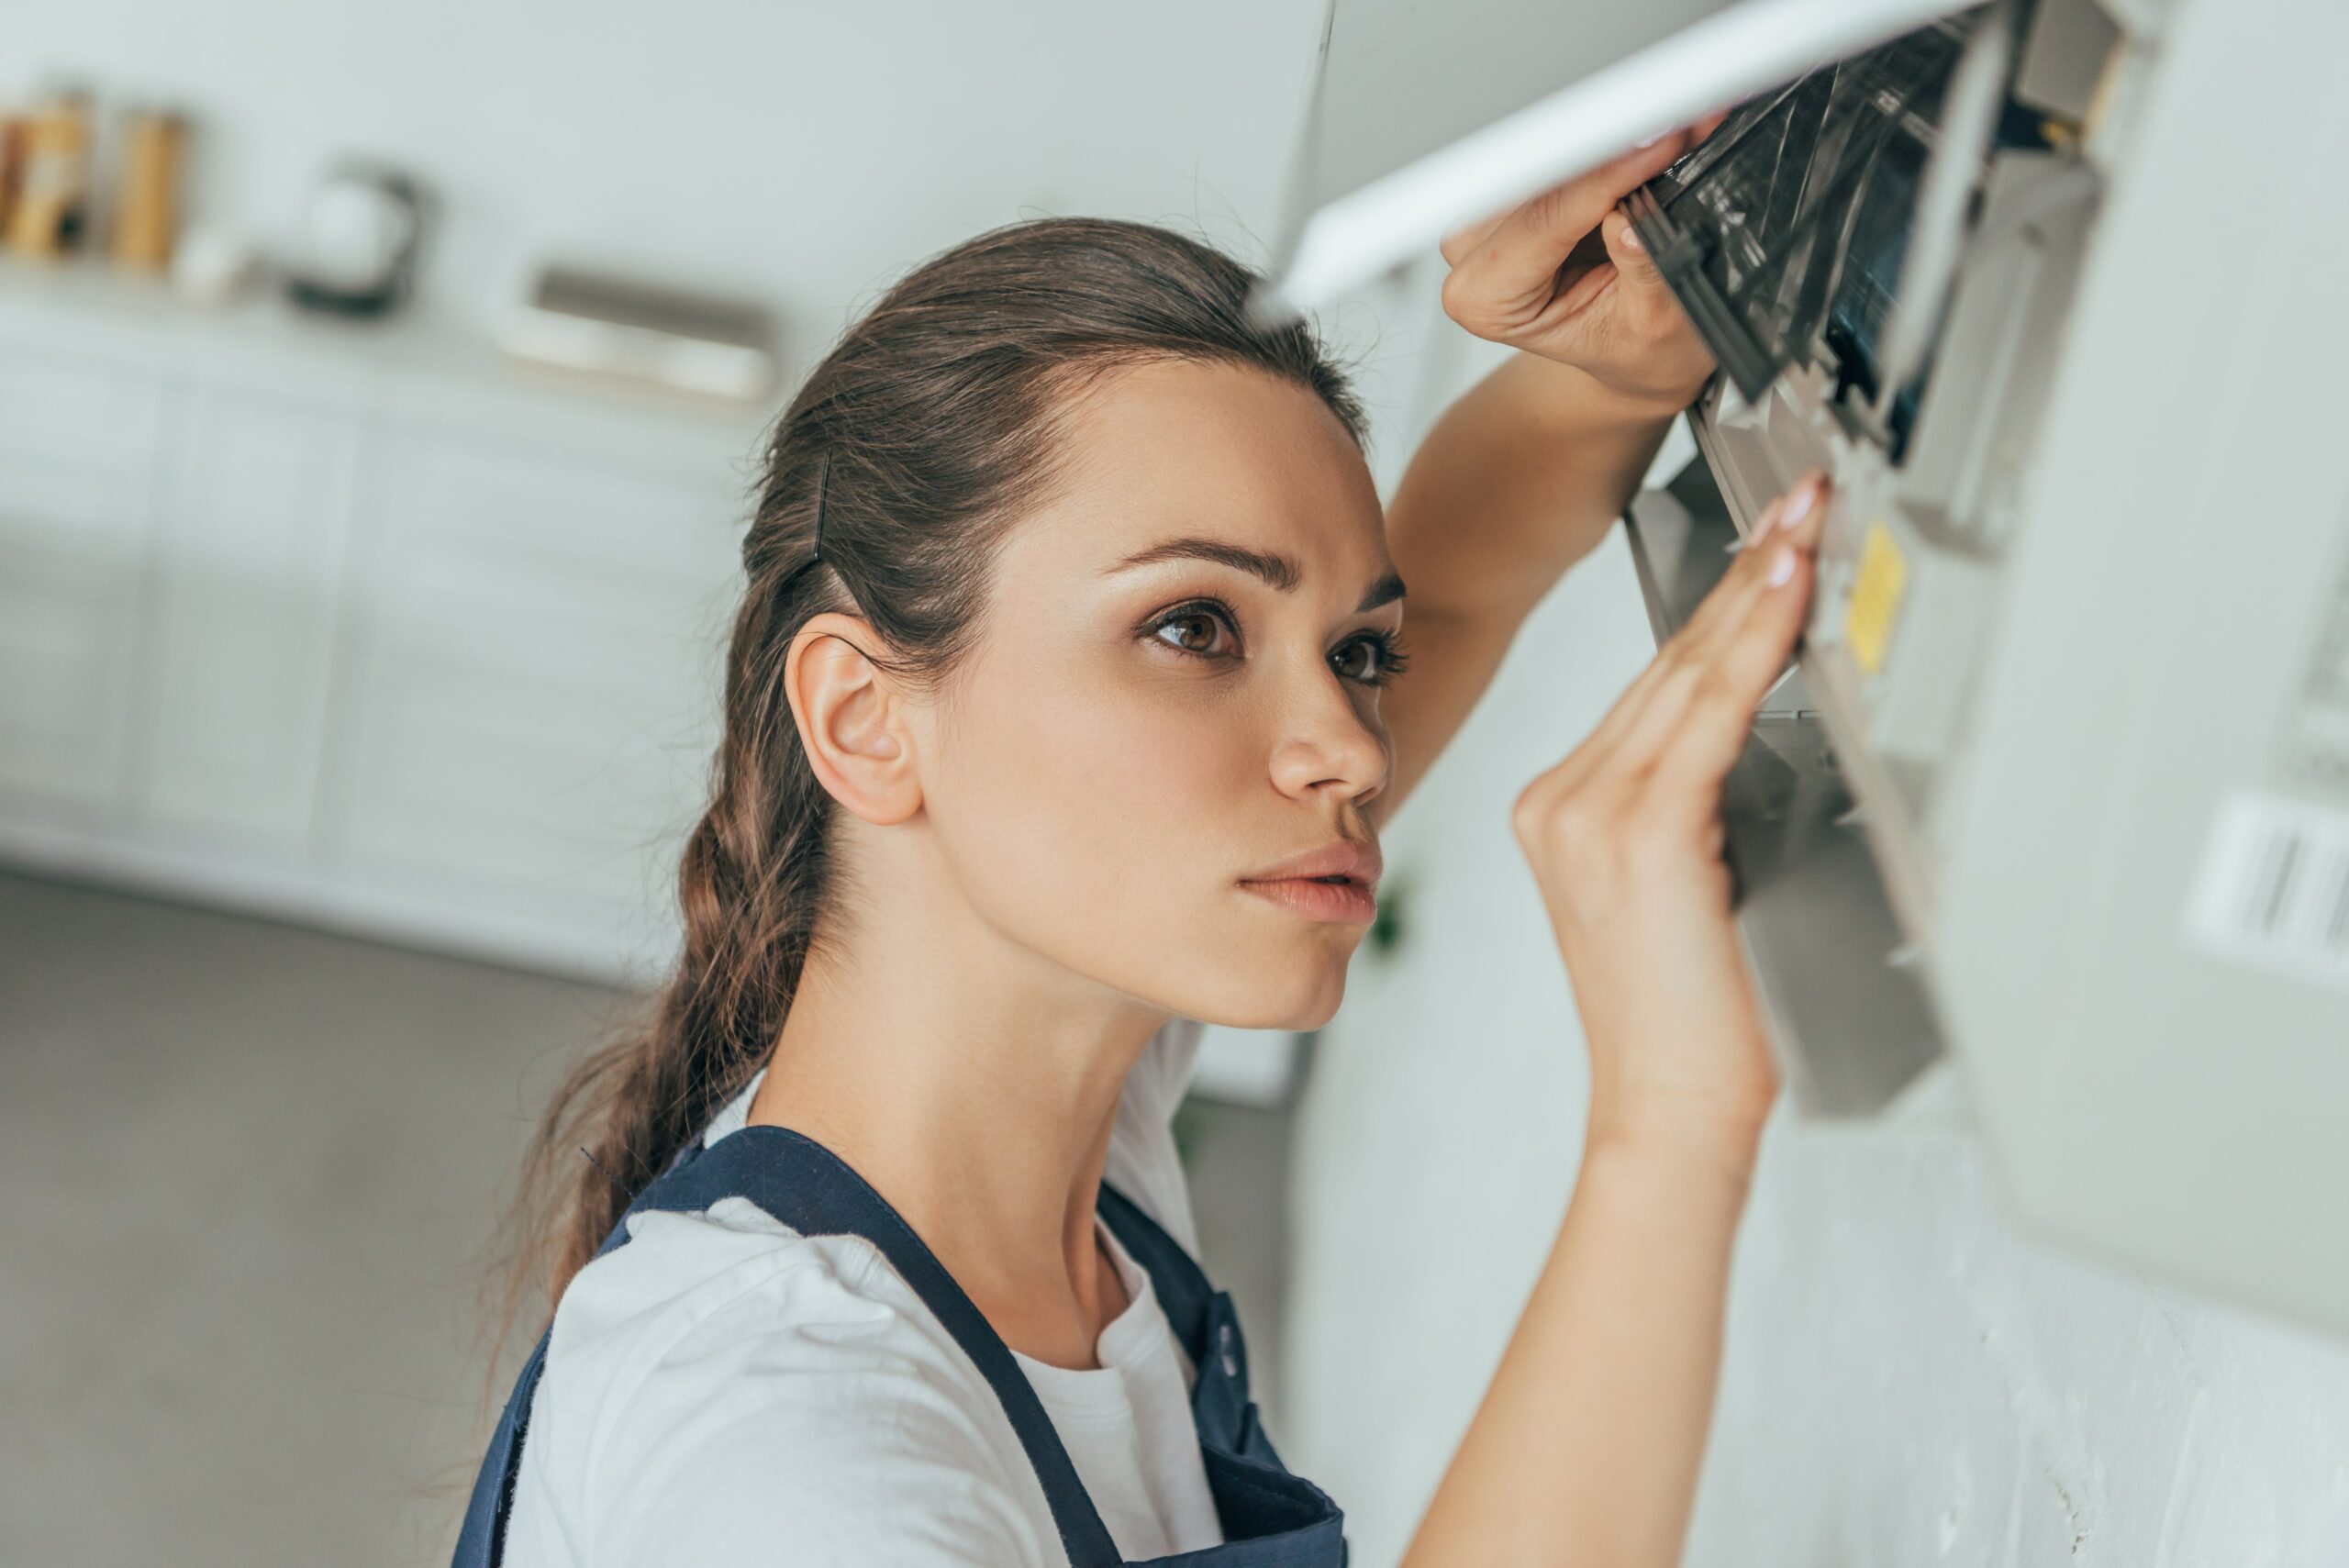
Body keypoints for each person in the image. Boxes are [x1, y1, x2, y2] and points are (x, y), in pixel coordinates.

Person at [457, 124, 1831, 1568]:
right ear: (863, 718)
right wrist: (1669, 1124)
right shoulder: (792, 1467)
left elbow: (1467, 584)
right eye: (1194, 627)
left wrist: (1622, 356)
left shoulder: (1060, 1113)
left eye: (1358, 651)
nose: (1354, 749)